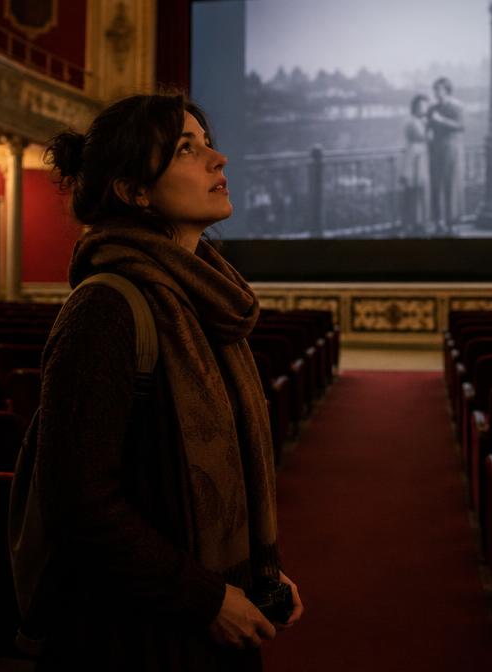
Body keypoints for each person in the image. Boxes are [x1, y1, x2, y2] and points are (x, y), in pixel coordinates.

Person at [33, 93, 303, 670]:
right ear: (134, 191)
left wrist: (259, 572)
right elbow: (78, 502)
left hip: (212, 614)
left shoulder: (205, 301)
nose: (219, 159)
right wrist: (206, 599)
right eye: (188, 149)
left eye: (207, 142)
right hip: (138, 637)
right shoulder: (104, 310)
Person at [426, 76, 465, 235]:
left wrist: (441, 120)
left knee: (451, 185)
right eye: (434, 89)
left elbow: (461, 126)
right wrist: (427, 133)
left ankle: (451, 223)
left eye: (439, 89)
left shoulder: (457, 106)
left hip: (451, 148)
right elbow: (427, 126)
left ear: (447, 90)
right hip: (435, 149)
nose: (436, 92)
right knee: (436, 186)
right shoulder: (432, 108)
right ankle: (438, 222)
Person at [399, 94, 430, 235]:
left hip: (422, 158)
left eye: (425, 105)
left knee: (420, 192)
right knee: (412, 192)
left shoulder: (422, 121)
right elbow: (423, 137)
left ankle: (419, 223)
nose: (423, 108)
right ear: (415, 107)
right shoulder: (412, 122)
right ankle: (410, 224)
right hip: (413, 158)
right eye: (421, 106)